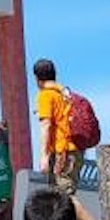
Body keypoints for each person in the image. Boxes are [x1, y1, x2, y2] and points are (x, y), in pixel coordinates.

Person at [34, 56, 82, 193]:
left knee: (64, 198)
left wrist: (43, 156)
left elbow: (46, 125)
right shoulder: (65, 94)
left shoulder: (46, 95)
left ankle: (85, 216)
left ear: (37, 78)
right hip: (76, 151)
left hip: (61, 153)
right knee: (63, 196)